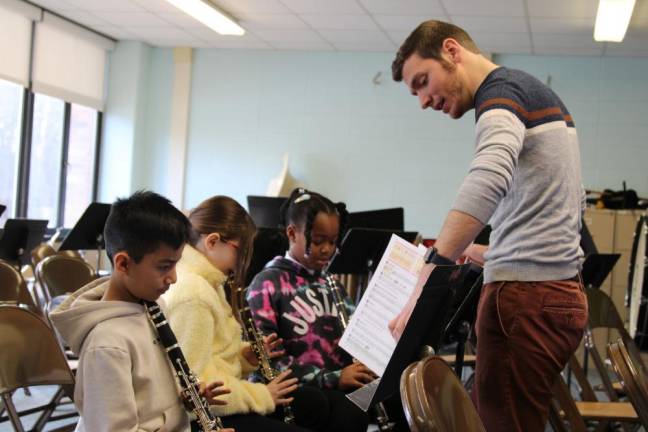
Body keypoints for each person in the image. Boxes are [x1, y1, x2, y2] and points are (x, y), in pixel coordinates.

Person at [388, 20, 588, 432]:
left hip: (526, 300)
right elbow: (556, 207)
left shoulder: (501, 93)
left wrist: (432, 268)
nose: (424, 101)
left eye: (423, 82)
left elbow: (488, 175)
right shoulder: (527, 93)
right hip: (549, 292)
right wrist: (490, 252)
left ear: (452, 51)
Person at [50, 191, 232, 432]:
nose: (174, 277)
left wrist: (182, 400)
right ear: (123, 264)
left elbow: (148, 399)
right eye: (164, 266)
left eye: (176, 264)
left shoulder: (151, 307)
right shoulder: (107, 345)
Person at [162, 195, 326, 431]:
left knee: (315, 403)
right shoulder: (194, 294)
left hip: (225, 400)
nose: (243, 263)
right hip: (202, 418)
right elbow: (198, 388)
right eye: (241, 251)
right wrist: (261, 395)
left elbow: (215, 353)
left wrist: (245, 357)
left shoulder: (210, 281)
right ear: (212, 242)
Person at [247, 188, 372, 432]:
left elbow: (357, 333)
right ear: (292, 234)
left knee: (378, 399)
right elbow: (267, 361)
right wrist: (334, 378)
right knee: (342, 410)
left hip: (333, 387)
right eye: (317, 241)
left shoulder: (332, 283)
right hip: (290, 389)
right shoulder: (267, 284)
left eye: (333, 241)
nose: (327, 249)